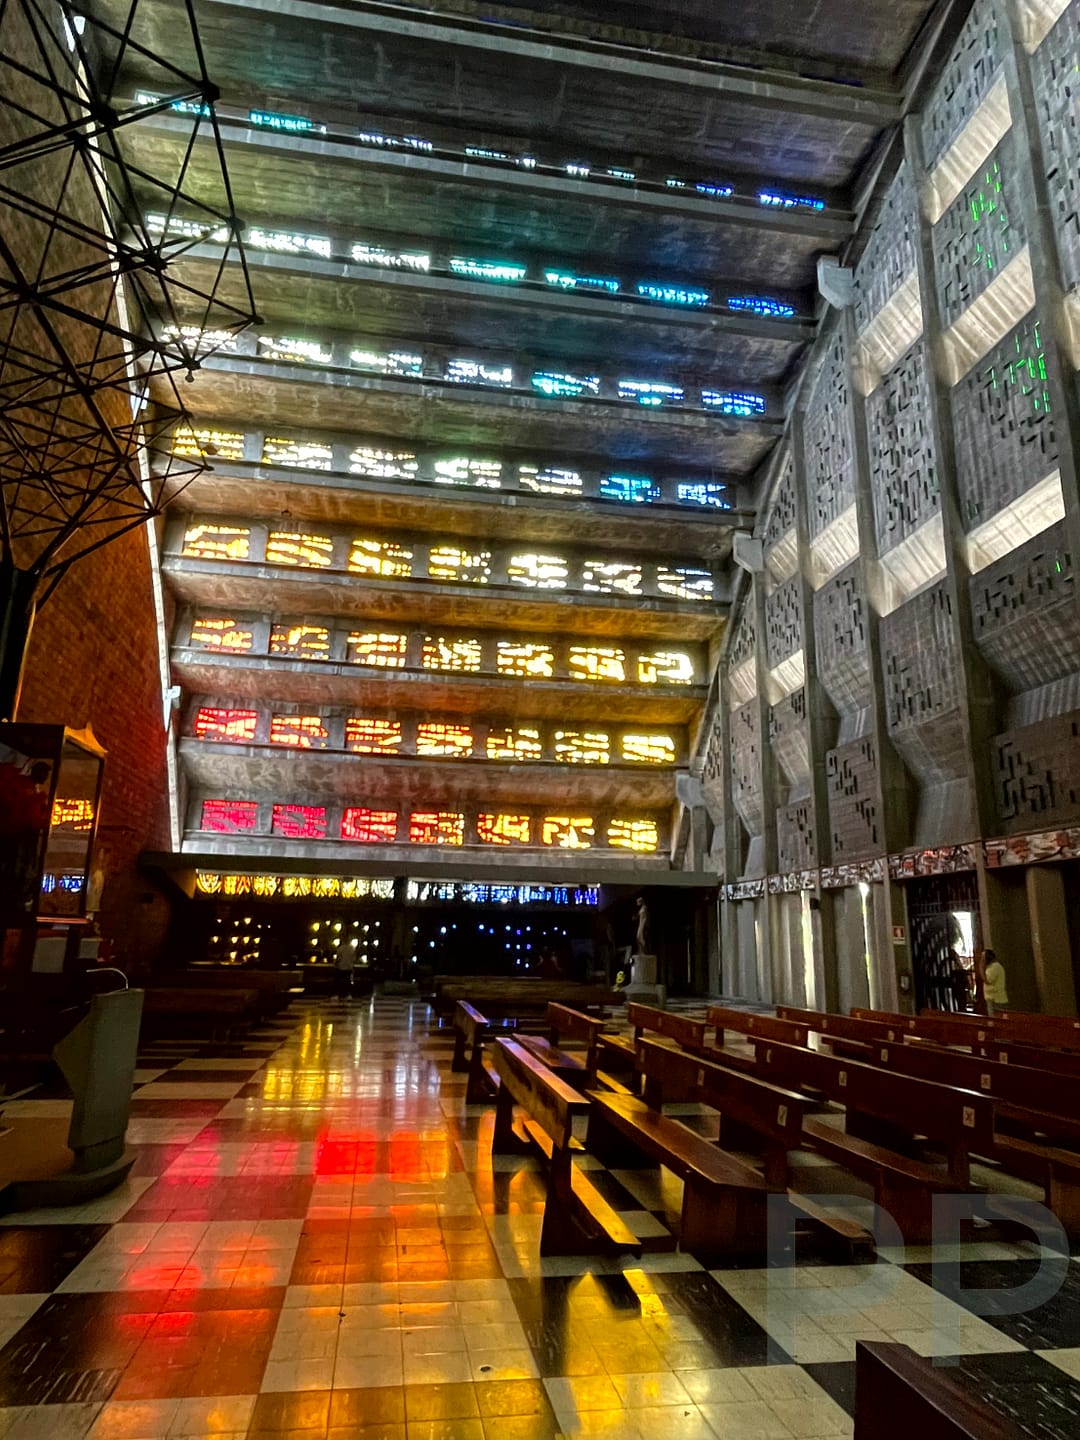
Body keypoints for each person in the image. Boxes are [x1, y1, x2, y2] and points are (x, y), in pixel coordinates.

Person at [982, 949, 1008, 1016]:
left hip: (996, 998)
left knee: (997, 1019)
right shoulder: (990, 967)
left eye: (983, 957)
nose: (982, 960)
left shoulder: (995, 967)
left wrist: (981, 968)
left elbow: (988, 980)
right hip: (992, 997)